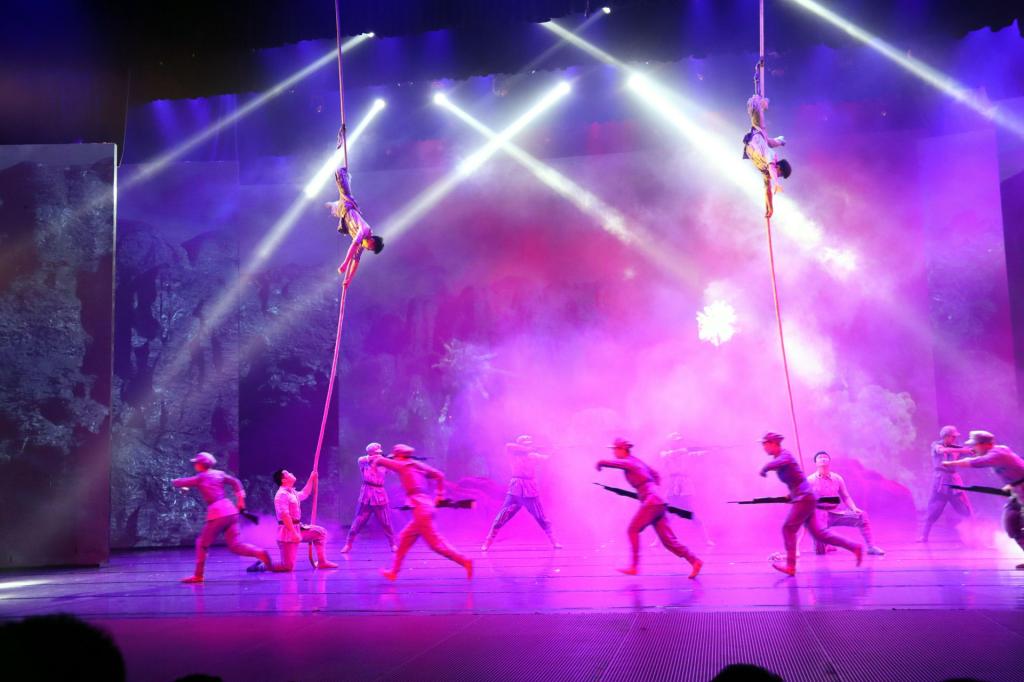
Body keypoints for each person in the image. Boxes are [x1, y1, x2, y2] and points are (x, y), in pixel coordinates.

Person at [596, 437, 703, 578]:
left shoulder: (629, 462)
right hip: (657, 501)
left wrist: (601, 463)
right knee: (668, 541)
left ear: (622, 449)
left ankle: (634, 566)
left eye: (615, 449)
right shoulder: (637, 461)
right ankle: (695, 561)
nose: (613, 452)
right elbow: (655, 474)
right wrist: (653, 490)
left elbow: (617, 464)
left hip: (652, 502)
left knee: (632, 530)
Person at [759, 433, 862, 576]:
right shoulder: (780, 459)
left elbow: (782, 468)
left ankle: (790, 567)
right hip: (803, 497)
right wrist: (790, 495)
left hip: (804, 498)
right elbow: (797, 481)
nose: (763, 447)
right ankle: (855, 547)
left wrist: (765, 468)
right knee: (819, 534)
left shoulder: (785, 456)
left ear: (773, 443)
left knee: (788, 529)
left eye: (765, 444)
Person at [373, 444, 473, 580]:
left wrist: (374, 464)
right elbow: (439, 475)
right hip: (426, 506)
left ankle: (464, 561)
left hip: (421, 509)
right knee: (404, 538)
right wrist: (440, 495)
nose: (394, 459)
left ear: (399, 456)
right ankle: (394, 572)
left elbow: (380, 460)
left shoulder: (402, 465)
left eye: (395, 456)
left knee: (436, 544)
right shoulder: (418, 466)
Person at [172, 452, 273, 583]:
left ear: (201, 464)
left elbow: (179, 482)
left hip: (218, 512)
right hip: (230, 511)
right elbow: (236, 482)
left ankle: (198, 575)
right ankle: (261, 553)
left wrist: (175, 482)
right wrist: (240, 501)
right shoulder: (219, 474)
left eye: (196, 463)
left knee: (202, 543)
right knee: (236, 545)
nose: (195, 465)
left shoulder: (201, 477)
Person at [941, 430, 1024, 569]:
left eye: (975, 445)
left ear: (986, 445)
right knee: (1011, 523)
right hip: (1018, 492)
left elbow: (976, 462)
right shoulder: (998, 453)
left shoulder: (997, 454)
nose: (973, 448)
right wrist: (1012, 485)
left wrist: (950, 464)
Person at [482, 435, 562, 551]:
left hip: (530, 490)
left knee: (541, 517)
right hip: (515, 490)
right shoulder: (513, 454)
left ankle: (554, 541)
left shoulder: (533, 456)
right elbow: (508, 446)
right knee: (502, 516)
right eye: (526, 444)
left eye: (529, 444)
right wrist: (529, 448)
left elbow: (547, 459)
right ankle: (488, 541)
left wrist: (555, 451)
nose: (528, 446)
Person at [807, 451, 885, 556]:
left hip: (836, 513)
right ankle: (826, 545)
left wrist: (854, 508)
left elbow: (845, 496)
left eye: (825, 457)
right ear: (815, 462)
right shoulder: (809, 480)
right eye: (820, 457)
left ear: (829, 461)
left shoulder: (837, 478)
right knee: (819, 551)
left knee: (862, 516)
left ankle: (871, 547)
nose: (823, 459)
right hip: (819, 517)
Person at [742, 60, 791, 219]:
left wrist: (770, 209)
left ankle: (780, 140)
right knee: (758, 102)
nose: (777, 176)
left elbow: (767, 191)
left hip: (757, 142)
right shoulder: (772, 158)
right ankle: (757, 74)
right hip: (758, 129)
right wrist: (777, 183)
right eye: (780, 174)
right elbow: (772, 169)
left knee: (769, 141)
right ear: (779, 167)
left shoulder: (767, 172)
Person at [325, 165, 383, 286]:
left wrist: (349, 279)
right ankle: (344, 174)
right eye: (370, 248)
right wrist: (345, 263)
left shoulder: (362, 244)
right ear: (372, 241)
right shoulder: (365, 230)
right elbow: (353, 246)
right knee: (340, 174)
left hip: (342, 213)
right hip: (347, 204)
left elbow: (356, 261)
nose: (368, 249)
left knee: (332, 209)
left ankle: (332, 204)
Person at [272, 468, 339, 571]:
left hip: (298, 528)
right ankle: (264, 565)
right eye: (288, 473)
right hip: (288, 532)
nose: (291, 473)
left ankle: (322, 562)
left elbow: (304, 493)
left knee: (320, 533)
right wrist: (294, 533)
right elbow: (284, 516)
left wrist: (311, 478)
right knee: (287, 566)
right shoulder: (281, 495)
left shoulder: (291, 492)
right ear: (284, 480)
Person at [918, 425, 975, 542]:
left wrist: (972, 450)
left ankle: (974, 535)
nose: (955, 439)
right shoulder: (936, 445)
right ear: (946, 436)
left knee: (964, 509)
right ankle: (924, 536)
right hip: (940, 482)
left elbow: (969, 453)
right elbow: (943, 450)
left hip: (954, 482)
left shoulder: (956, 447)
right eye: (953, 437)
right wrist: (962, 450)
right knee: (934, 509)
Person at [658, 432, 714, 546]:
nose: (678, 443)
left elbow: (697, 455)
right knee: (668, 515)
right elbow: (670, 455)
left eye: (679, 441)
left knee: (692, 513)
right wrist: (686, 450)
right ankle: (658, 541)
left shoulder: (686, 454)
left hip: (685, 486)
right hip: (673, 486)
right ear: (670, 442)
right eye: (676, 441)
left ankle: (706, 539)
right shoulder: (665, 453)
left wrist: (709, 451)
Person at [341, 442, 397, 553]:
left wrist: (391, 461)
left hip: (380, 496)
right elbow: (363, 459)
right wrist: (376, 459)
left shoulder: (384, 463)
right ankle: (348, 544)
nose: (378, 455)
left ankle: (393, 544)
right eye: (376, 453)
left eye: (379, 453)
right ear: (370, 453)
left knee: (386, 522)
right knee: (358, 522)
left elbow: (394, 471)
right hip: (366, 495)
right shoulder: (363, 462)